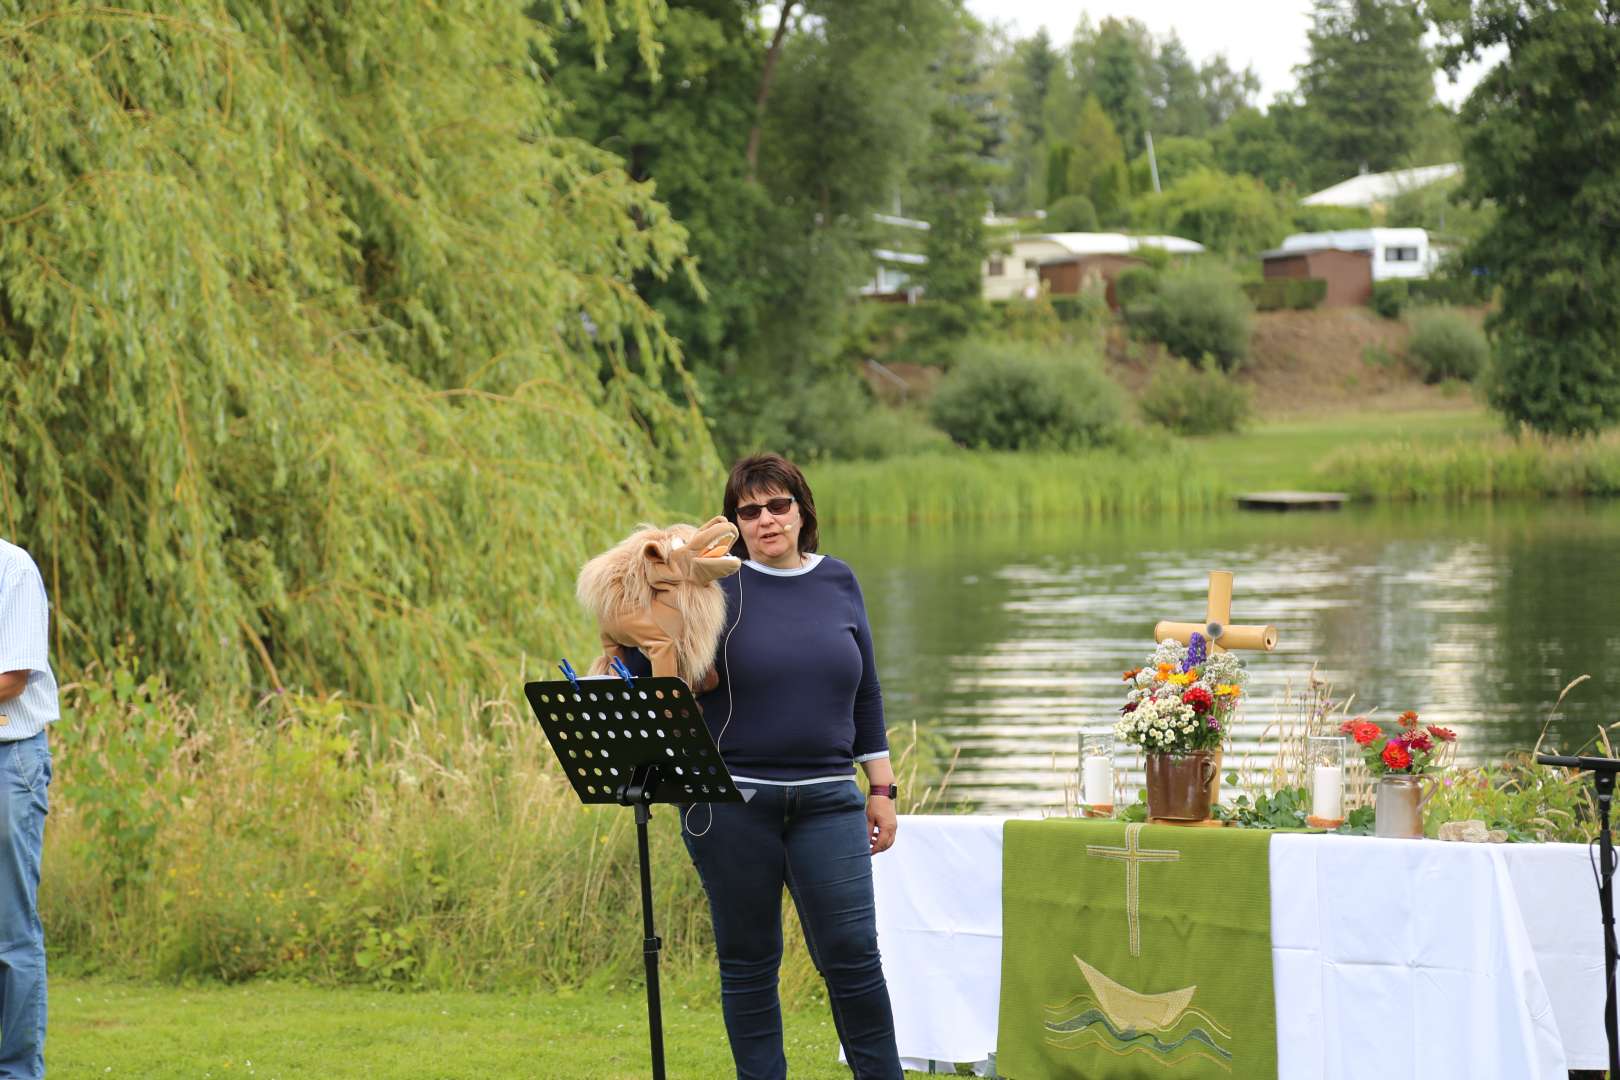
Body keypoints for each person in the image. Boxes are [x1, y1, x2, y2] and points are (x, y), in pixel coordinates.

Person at [682, 453, 902, 1080]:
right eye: (749, 511)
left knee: (854, 957)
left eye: (778, 505)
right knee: (749, 963)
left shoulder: (840, 580)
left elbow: (867, 694)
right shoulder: (710, 589)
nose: (766, 519)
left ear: (803, 511)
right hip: (732, 806)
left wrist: (880, 787)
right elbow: (662, 667)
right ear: (734, 526)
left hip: (830, 802)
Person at [0, 537, 58, 1080]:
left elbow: (12, 680)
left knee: (8, 932)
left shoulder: (12, 568)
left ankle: (16, 1073)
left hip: (7, 760)